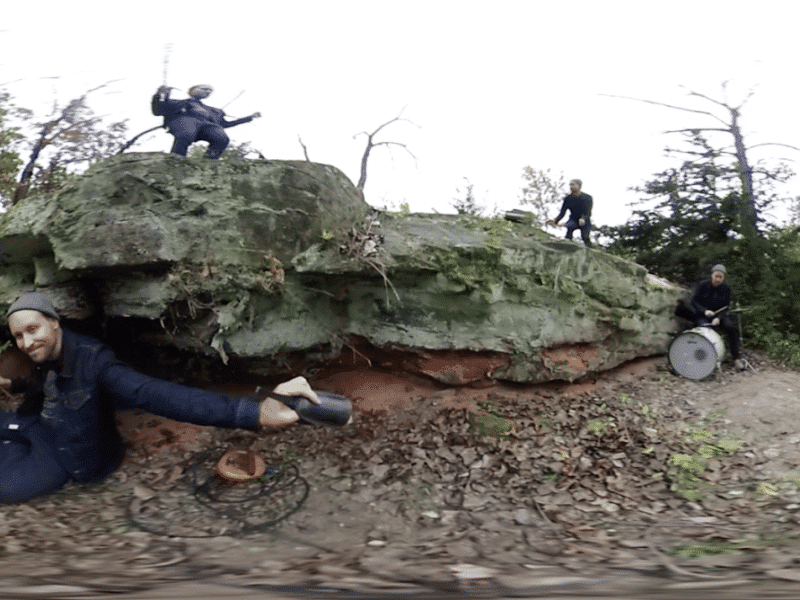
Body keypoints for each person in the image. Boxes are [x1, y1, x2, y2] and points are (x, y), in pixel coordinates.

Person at [0, 292, 318, 503]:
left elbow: (155, 394)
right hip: (38, 424)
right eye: (18, 336)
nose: (26, 343)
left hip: (66, 453)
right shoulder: (46, 354)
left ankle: (13, 443)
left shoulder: (94, 361)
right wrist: (13, 384)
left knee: (6, 487)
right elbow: (46, 389)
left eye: (33, 329)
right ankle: (14, 438)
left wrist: (253, 412)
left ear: (54, 323)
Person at [151, 84, 261, 159]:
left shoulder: (214, 111)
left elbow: (225, 124)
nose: (207, 91)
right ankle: (177, 158)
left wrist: (249, 118)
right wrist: (160, 95)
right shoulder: (178, 103)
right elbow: (158, 110)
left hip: (207, 126)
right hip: (185, 122)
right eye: (204, 88)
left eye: (210, 91)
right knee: (186, 133)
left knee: (221, 138)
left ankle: (210, 160)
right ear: (192, 90)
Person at [691, 264, 745, 371]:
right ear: (712, 275)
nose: (718, 279)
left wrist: (718, 318)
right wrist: (704, 311)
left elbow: (725, 307)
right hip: (703, 315)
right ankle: (701, 359)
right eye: (716, 276)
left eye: (720, 277)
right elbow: (694, 301)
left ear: (723, 278)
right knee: (704, 331)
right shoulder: (703, 285)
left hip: (718, 316)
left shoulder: (726, 288)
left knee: (731, 328)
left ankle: (736, 358)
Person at [547, 179, 593, 246]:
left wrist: (583, 218)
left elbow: (588, 212)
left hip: (585, 221)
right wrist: (555, 221)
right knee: (568, 233)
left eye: (573, 184)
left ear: (579, 186)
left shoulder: (587, 198)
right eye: (570, 185)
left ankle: (590, 249)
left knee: (585, 237)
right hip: (573, 219)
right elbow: (562, 213)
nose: (571, 187)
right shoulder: (568, 198)